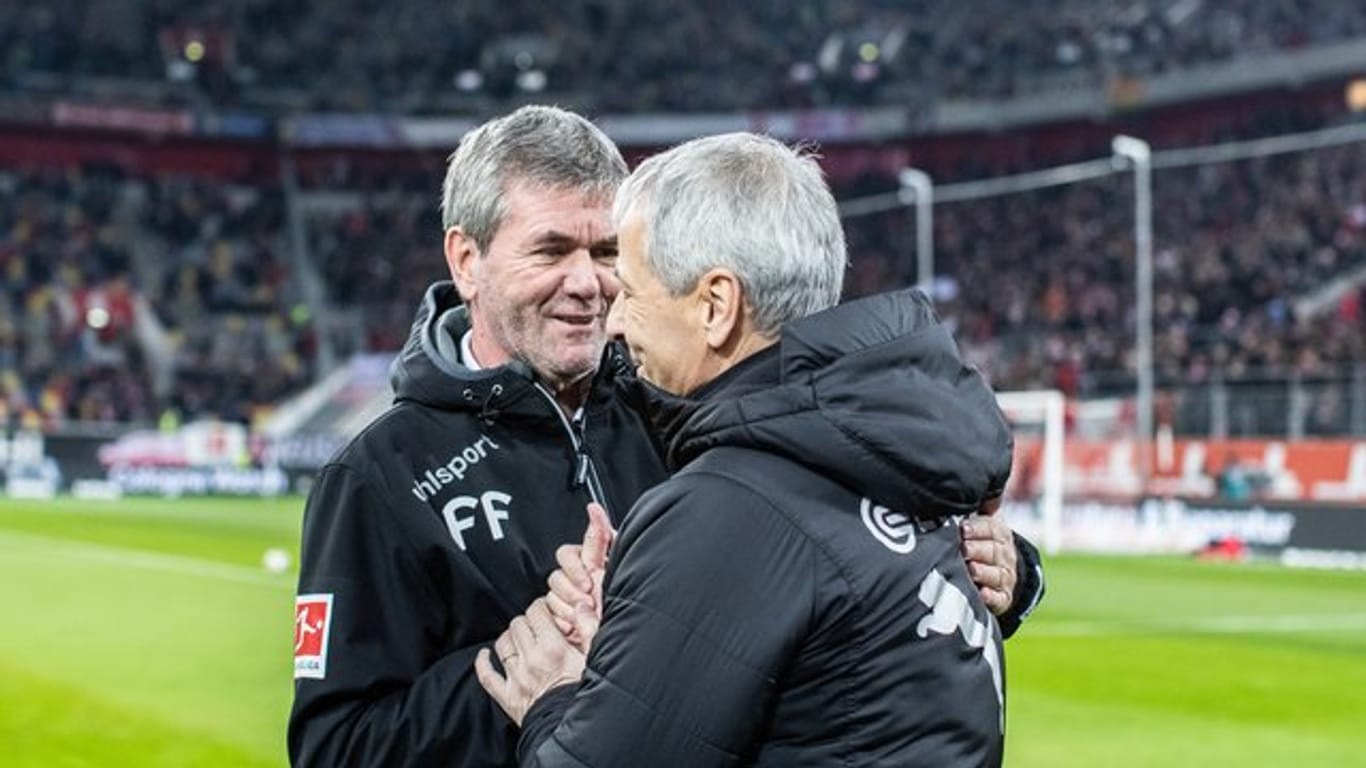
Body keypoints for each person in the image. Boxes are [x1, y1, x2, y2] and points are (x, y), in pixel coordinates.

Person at [290, 106, 1040, 767]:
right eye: (552, 250)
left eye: (609, 252)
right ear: (467, 261)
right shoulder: (381, 475)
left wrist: (1009, 571)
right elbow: (337, 748)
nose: (590, 284)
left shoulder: (692, 406)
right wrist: (507, 673)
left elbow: (859, 535)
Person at [477, 133, 1015, 766]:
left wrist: (553, 697)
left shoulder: (731, 509)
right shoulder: (903, 453)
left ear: (716, 305)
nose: (614, 322)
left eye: (631, 291)